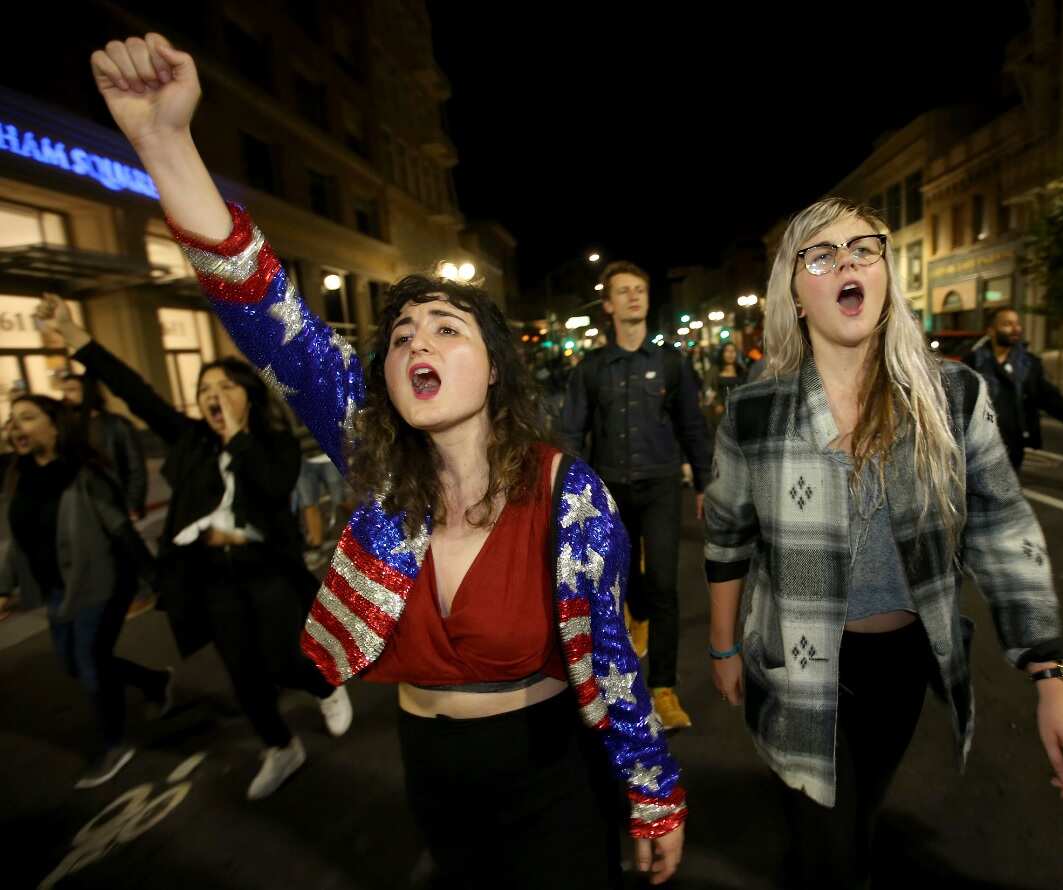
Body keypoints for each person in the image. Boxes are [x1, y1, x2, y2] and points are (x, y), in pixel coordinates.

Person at [86, 33, 685, 886]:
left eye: (446, 329)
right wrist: (163, 143)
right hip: (429, 768)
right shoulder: (375, 465)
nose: (417, 343)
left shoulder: (565, 492)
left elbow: (616, 665)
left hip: (549, 769)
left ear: (496, 365)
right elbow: (273, 319)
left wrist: (654, 792)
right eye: (402, 335)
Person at [704, 198, 1063, 888]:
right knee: (825, 849)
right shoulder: (755, 412)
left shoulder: (951, 397)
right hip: (795, 664)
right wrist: (723, 646)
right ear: (796, 296)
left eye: (864, 249)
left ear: (886, 275)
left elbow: (1006, 532)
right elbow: (726, 531)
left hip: (900, 662)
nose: (848, 263)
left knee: (862, 815)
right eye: (822, 255)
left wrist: (1051, 676)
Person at [38, 297, 353, 802]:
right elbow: (135, 392)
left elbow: (273, 488)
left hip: (267, 572)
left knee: (284, 658)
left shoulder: (276, 443)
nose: (214, 395)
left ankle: (325, 687)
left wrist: (237, 440)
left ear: (249, 395)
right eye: (205, 389)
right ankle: (280, 747)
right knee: (243, 673)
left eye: (225, 386)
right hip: (213, 577)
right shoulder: (190, 441)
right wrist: (75, 337)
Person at [561, 259, 713, 731]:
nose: (633, 296)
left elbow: (692, 424)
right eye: (622, 291)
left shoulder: (671, 362)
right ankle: (636, 616)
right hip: (609, 490)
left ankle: (664, 688)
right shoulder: (591, 369)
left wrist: (706, 482)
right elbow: (572, 432)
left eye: (639, 290)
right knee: (616, 583)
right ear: (607, 305)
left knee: (665, 582)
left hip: (663, 484)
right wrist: (568, 493)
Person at [0, 394, 172, 788]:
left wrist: (154, 578)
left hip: (103, 581)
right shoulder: (19, 475)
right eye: (12, 421)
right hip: (58, 588)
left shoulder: (85, 474)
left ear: (55, 426)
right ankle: (155, 682)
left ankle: (115, 744)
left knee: (90, 658)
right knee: (75, 663)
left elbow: (120, 530)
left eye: (27, 418)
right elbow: (19, 537)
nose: (16, 428)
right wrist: (5, 586)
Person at [964, 307, 1063, 471]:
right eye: (1007, 324)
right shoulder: (973, 362)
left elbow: (1046, 394)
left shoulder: (1028, 363)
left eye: (1017, 324)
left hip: (1014, 442)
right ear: (991, 331)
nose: (1015, 328)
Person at [60, 372, 148, 519]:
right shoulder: (66, 428)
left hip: (113, 500)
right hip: (81, 504)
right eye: (64, 391)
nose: (66, 396)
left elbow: (136, 468)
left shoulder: (117, 425)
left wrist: (133, 504)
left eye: (72, 390)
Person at [711, 342, 748, 414]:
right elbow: (708, 390)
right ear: (722, 353)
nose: (730, 354)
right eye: (727, 351)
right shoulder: (715, 370)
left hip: (739, 410)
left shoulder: (741, 370)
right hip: (722, 412)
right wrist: (716, 404)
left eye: (733, 351)